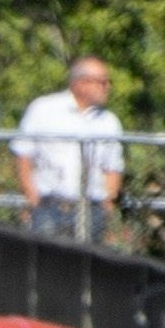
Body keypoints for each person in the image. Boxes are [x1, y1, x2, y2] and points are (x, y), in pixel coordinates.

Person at [12, 57, 126, 245]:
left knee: (87, 269)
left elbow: (112, 168)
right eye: (103, 82)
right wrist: (32, 197)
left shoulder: (109, 121)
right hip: (50, 207)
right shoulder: (44, 109)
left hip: (92, 209)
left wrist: (107, 208)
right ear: (81, 83)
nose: (107, 87)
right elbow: (23, 155)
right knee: (47, 265)